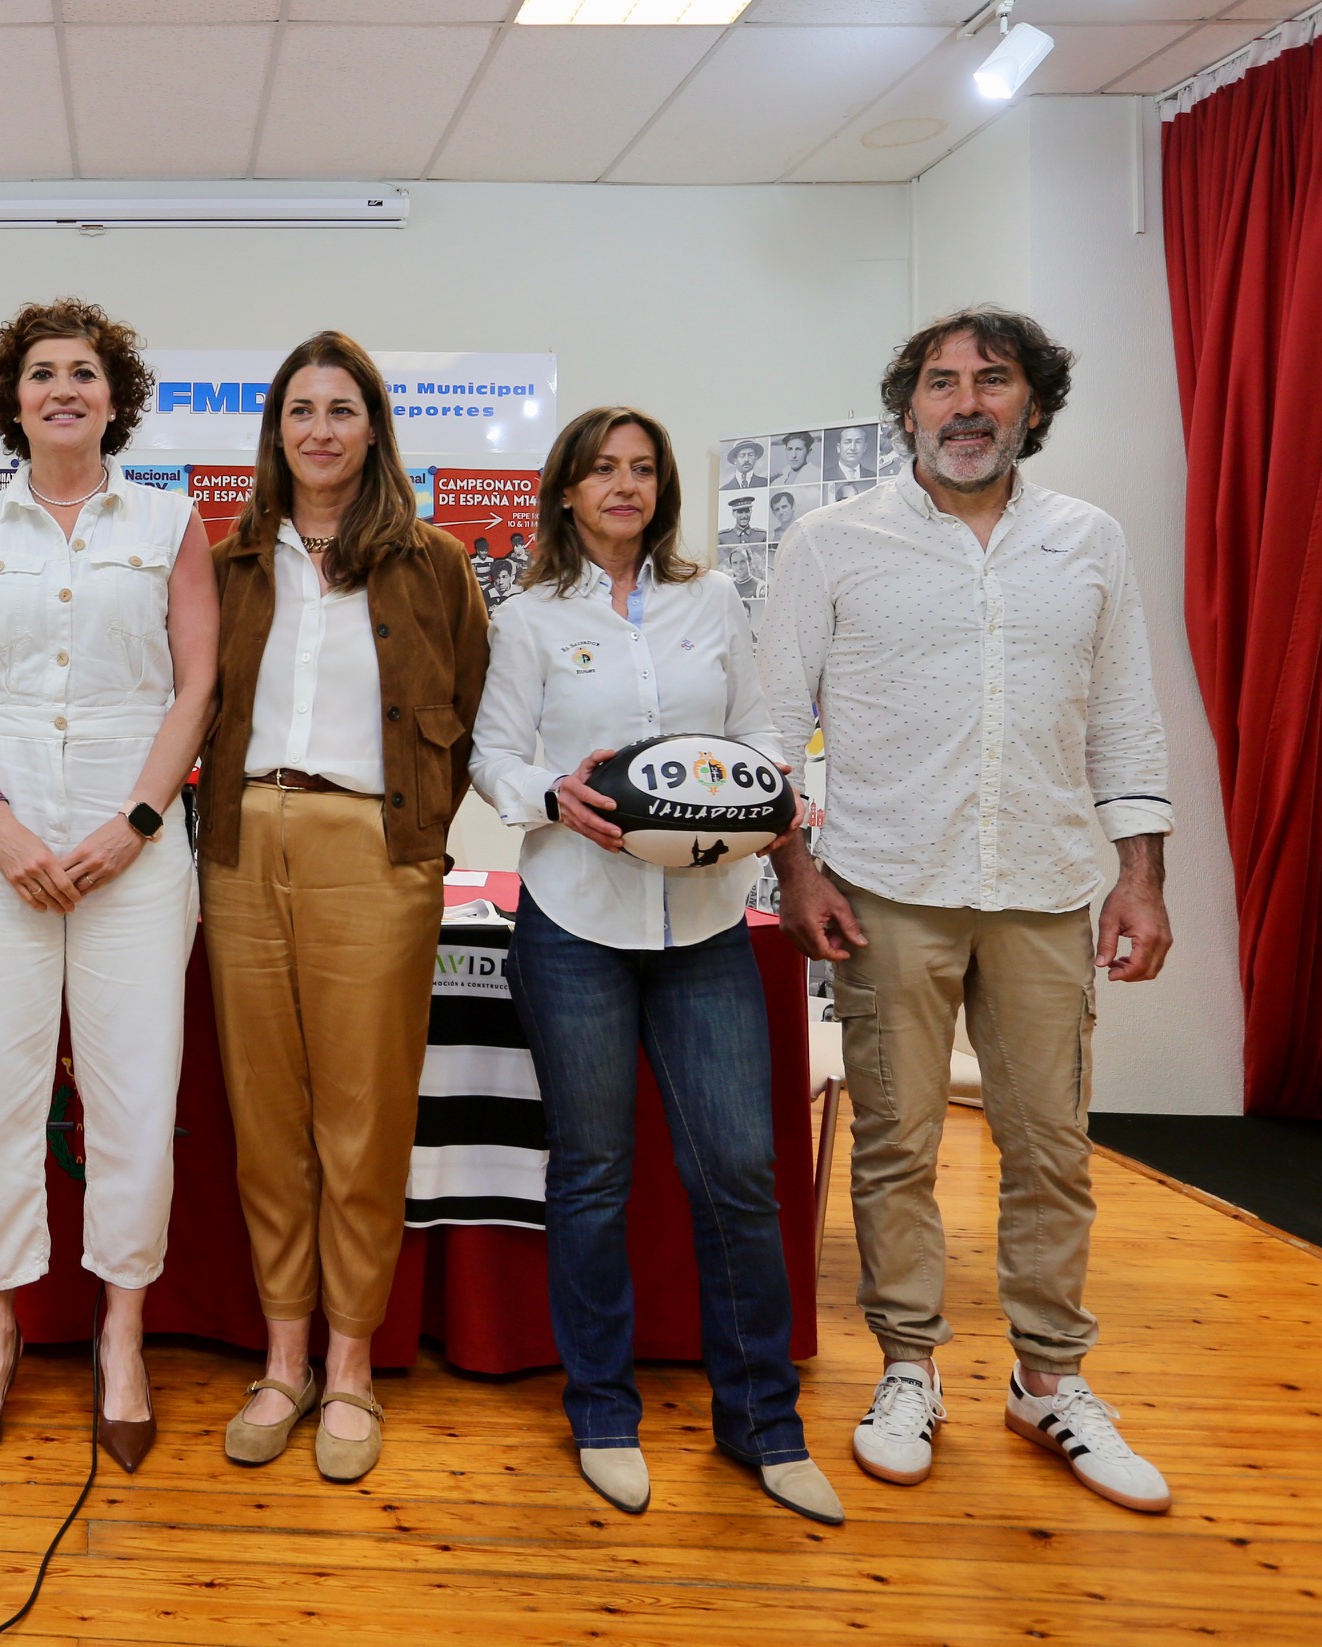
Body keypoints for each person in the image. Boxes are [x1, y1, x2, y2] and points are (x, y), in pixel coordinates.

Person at [761, 307, 1176, 1514]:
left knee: (1050, 1149)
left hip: (1048, 889)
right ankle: (906, 1369)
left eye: (991, 383)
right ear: (907, 411)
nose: (965, 404)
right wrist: (796, 869)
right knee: (894, 1146)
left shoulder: (1086, 542)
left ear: (1032, 406)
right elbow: (774, 726)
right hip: (886, 886)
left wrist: (1140, 875)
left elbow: (1125, 720)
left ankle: (1049, 1381)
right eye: (940, 384)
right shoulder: (829, 544)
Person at [470, 405, 839, 1526]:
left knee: (737, 1169)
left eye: (640, 470)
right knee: (592, 1173)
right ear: (567, 491)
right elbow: (495, 753)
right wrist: (552, 797)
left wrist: (778, 803)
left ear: (659, 489)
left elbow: (766, 728)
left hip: (706, 925)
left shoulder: (711, 600)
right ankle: (600, 1411)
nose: (622, 486)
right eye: (600, 470)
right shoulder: (529, 616)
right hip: (572, 919)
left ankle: (763, 1426)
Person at [0, 299, 217, 1473]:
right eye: (40, 374)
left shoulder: (171, 521)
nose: (62, 390)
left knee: (134, 1097)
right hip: (0, 854)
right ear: (13, 399)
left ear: (113, 396)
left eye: (82, 374)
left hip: (132, 858)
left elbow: (194, 688)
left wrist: (136, 822)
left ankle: (123, 1332)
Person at [197, 332, 487, 1484]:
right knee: (266, 1116)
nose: (319, 428)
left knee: (362, 1119)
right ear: (275, 431)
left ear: (374, 427)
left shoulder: (433, 563)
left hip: (371, 847)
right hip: (240, 842)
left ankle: (353, 1362)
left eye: (341, 408)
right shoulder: (228, 562)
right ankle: (283, 1358)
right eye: (299, 409)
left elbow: (468, 703)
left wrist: (410, 847)